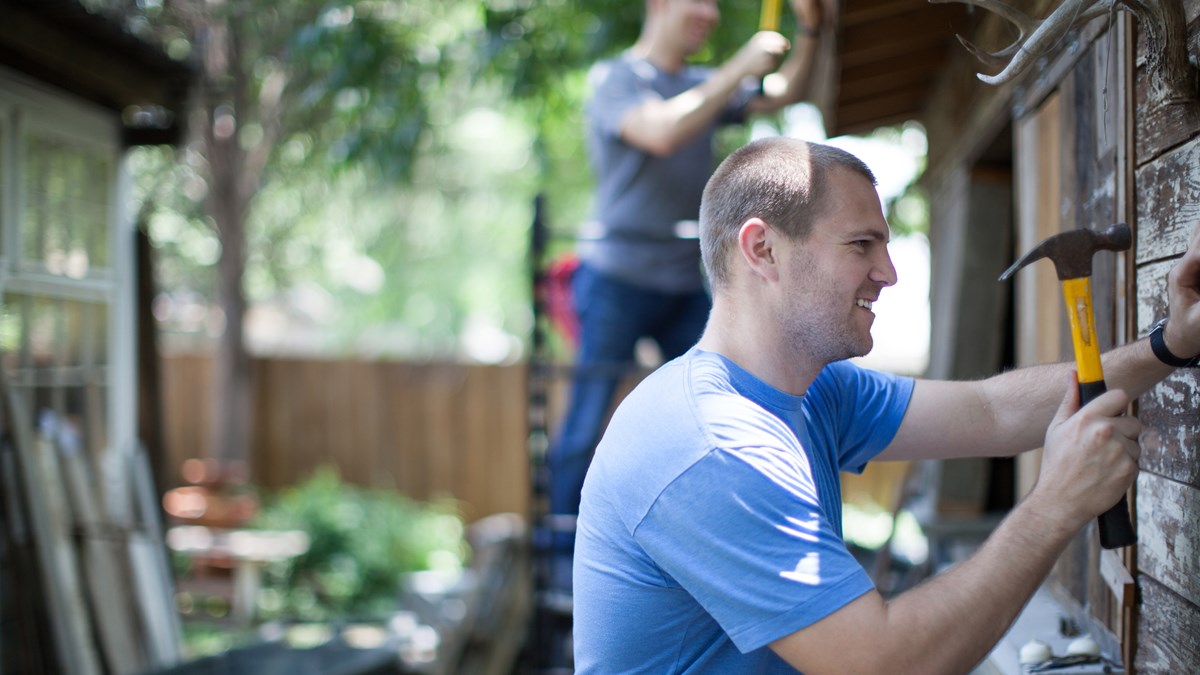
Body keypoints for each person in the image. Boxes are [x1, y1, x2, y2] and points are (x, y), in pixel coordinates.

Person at [572, 137, 1200, 673]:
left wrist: (1170, 345)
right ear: (761, 249)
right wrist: (1057, 503)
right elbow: (884, 663)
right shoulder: (710, 445)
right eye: (861, 245)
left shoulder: (814, 389)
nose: (890, 272)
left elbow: (992, 412)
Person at [546, 0, 828, 591]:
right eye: (697, 0)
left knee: (728, 402)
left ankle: (718, 543)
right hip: (617, 277)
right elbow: (664, 131)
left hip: (684, 284)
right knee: (585, 422)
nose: (708, 12)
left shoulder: (702, 83)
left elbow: (783, 91)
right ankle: (561, 563)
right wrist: (739, 65)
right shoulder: (617, 79)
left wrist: (808, 27)